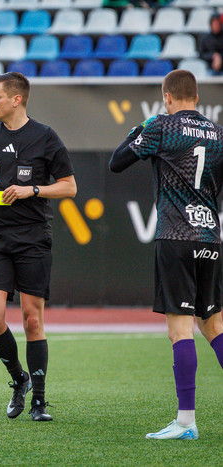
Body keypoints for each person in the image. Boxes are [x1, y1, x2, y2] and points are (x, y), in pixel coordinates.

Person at [0, 72, 76, 422]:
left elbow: (69, 187)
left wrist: (32, 190)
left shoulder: (45, 137)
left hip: (32, 238)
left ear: (16, 99)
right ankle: (19, 378)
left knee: (32, 319)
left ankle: (39, 401)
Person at [110, 69, 223, 440]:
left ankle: (186, 423)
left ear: (167, 96)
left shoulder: (161, 126)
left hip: (176, 236)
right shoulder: (218, 133)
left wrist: (141, 127)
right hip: (210, 237)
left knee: (180, 330)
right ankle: (185, 422)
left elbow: (117, 161)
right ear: (196, 96)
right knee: (215, 326)